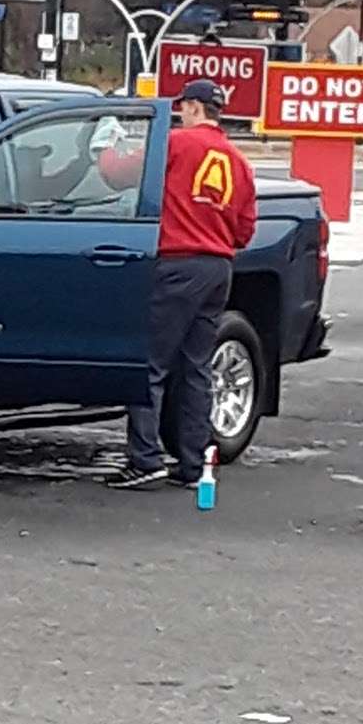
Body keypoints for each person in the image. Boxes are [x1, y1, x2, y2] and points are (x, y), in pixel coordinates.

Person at [100, 80, 258, 491]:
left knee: (150, 364)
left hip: (175, 264)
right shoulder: (237, 161)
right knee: (196, 368)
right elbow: (245, 229)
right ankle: (192, 463)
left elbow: (118, 175)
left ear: (191, 107)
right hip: (216, 269)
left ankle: (144, 458)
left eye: (182, 107)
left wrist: (104, 143)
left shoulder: (175, 144)